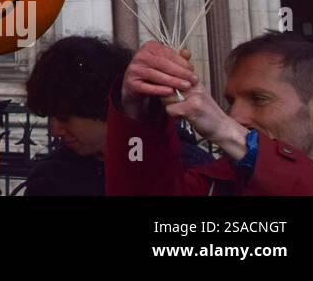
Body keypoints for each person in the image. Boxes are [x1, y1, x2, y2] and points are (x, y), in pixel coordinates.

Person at [106, 32, 313, 195]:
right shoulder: (212, 185)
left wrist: (228, 133)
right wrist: (137, 109)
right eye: (230, 101)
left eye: (259, 99)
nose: (235, 116)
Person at [24, 35, 208, 195]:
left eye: (64, 117)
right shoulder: (51, 177)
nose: (55, 130)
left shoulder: (187, 167)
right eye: (51, 117)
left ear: (98, 104)